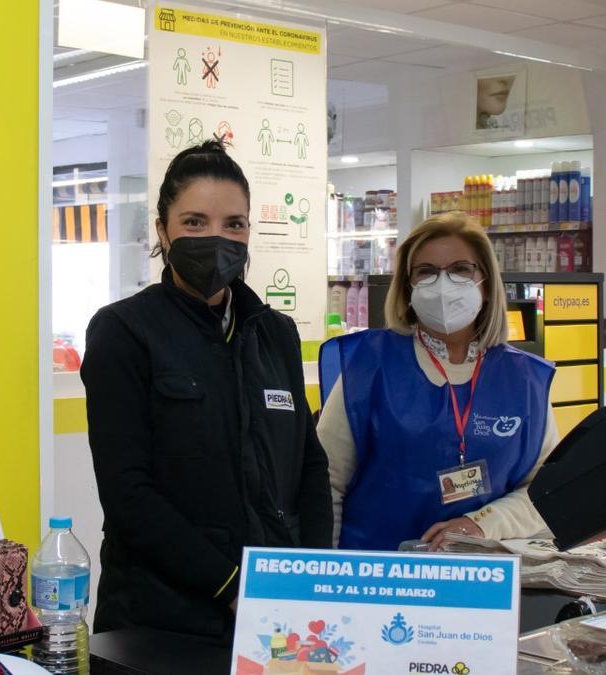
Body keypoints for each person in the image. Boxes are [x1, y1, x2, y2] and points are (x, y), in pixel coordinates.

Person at [81, 140, 331, 640]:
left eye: (233, 224)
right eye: (195, 222)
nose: (216, 238)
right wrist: (232, 585)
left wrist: (310, 575)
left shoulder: (274, 332)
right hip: (162, 621)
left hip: (276, 613)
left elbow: (308, 464)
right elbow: (128, 494)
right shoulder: (124, 331)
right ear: (162, 230)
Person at [317, 212, 560, 551]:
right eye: (426, 272)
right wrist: (329, 577)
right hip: (379, 578)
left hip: (481, 582)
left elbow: (545, 491)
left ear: (486, 285)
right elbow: (325, 484)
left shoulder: (524, 380)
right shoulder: (370, 365)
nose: (443, 285)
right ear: (408, 288)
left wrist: (482, 523)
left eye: (461, 269)